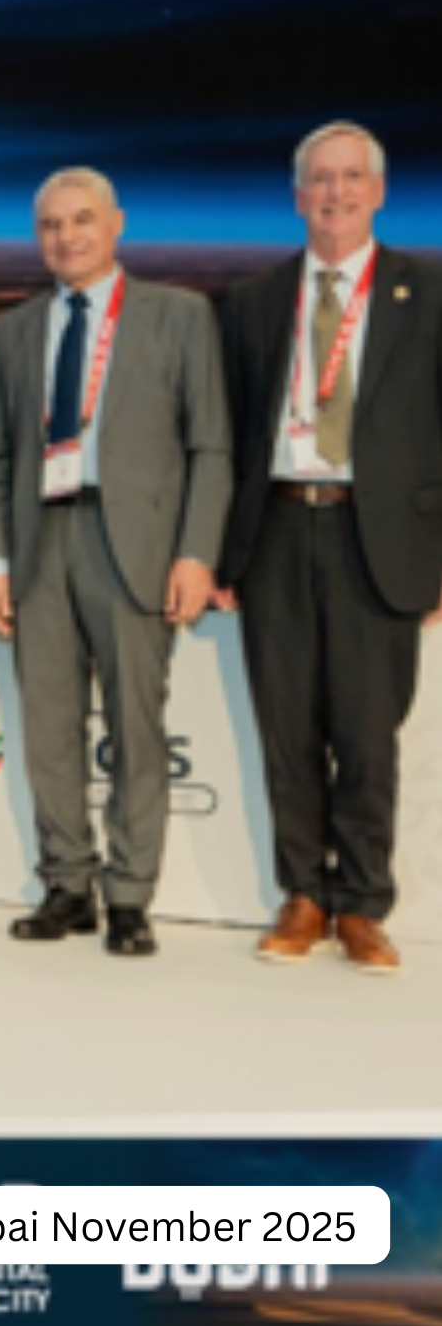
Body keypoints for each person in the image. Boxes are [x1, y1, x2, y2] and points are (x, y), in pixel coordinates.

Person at [0, 167, 230, 957]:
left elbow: (209, 445)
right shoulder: (16, 327)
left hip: (137, 549)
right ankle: (65, 885)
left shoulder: (179, 314)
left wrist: (194, 552)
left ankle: (128, 896)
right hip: (38, 543)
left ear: (115, 224)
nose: (66, 236)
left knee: (134, 727)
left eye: (81, 220)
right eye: (50, 224)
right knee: (48, 726)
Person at [215, 122, 442, 975]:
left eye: (351, 177)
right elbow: (229, 436)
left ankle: (362, 904)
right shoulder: (253, 301)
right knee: (286, 726)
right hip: (273, 528)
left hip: (377, 536)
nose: (335, 192)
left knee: (366, 730)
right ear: (297, 193)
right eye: (319, 178)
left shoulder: (429, 291)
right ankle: (302, 894)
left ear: (378, 191)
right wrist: (221, 551)